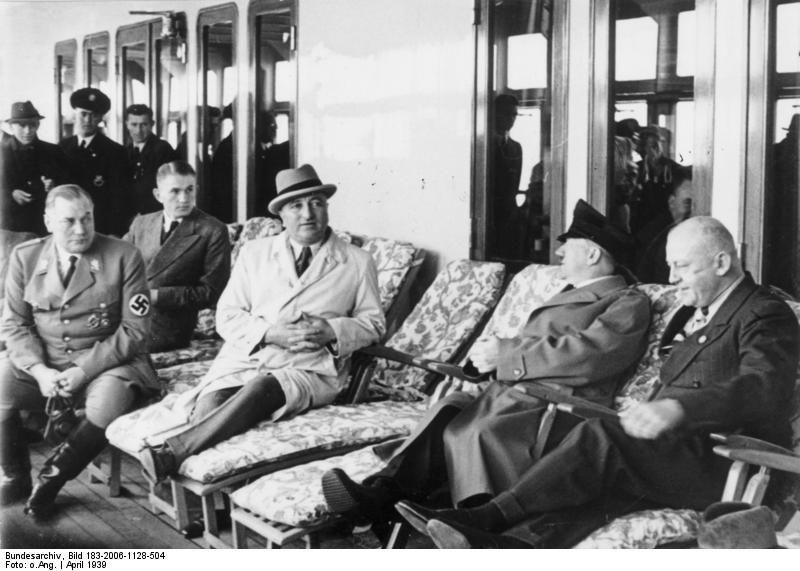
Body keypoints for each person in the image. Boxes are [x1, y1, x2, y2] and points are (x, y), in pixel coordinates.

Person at [395, 216, 799, 549]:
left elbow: (762, 388)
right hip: (681, 454)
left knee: (601, 436)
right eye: (671, 266)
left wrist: (677, 408)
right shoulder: (695, 314)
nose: (672, 278)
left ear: (722, 263)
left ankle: (486, 516)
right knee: (587, 486)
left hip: (728, 464)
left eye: (683, 266)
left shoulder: (764, 313)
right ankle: (509, 547)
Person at [322, 200, 651, 522]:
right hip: (515, 396)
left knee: (474, 432)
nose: (559, 253)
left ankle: (467, 522)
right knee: (447, 410)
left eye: (568, 246)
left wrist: (507, 355)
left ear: (592, 254)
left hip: (556, 409)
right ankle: (381, 495)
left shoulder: (626, 301)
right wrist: (488, 361)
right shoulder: (569, 292)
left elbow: (592, 356)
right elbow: (535, 346)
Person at [136, 164, 385, 483]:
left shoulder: (357, 261)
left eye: (316, 203)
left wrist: (332, 331)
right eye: (296, 205)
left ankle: (170, 452)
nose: (308, 213)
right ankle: (223, 502)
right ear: (281, 214)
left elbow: (374, 324)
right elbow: (226, 315)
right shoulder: (255, 253)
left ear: (326, 207)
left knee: (263, 387)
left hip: (309, 366)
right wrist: (270, 333)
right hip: (249, 356)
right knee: (210, 405)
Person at [0, 184, 158, 517]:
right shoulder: (25, 257)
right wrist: (40, 370)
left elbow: (134, 330)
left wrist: (83, 371)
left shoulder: (122, 255)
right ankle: (16, 477)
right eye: (69, 221)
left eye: (87, 218)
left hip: (109, 362)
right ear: (48, 222)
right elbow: (15, 325)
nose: (81, 229)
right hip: (47, 362)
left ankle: (51, 479)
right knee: (1, 382)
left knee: (108, 400)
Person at [123, 161, 231, 352]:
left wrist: (157, 296)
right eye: (175, 191)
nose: (184, 199)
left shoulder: (212, 230)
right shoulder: (141, 224)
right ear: (158, 195)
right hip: (126, 314)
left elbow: (211, 293)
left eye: (189, 190)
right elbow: (118, 263)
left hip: (168, 327)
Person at [59, 88, 135, 237]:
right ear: (75, 114)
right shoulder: (61, 148)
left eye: (93, 115)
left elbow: (121, 199)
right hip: (68, 227)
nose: (87, 120)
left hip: (101, 228)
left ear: (100, 118)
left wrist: (115, 233)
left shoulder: (115, 152)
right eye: (83, 114)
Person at [0, 101, 70, 235]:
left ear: (38, 124)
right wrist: (10, 195)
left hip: (45, 227)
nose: (28, 130)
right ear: (11, 126)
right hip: (10, 229)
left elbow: (68, 186)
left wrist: (54, 187)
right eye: (22, 125)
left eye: (32, 125)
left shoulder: (54, 152)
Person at [636, 169, 693, 284]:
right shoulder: (655, 240)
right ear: (672, 203)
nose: (694, 211)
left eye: (701, 203)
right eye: (687, 204)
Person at [123, 104, 177, 215]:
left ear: (152, 124)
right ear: (127, 125)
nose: (138, 130)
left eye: (144, 125)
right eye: (134, 124)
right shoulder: (124, 151)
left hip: (156, 213)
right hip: (131, 216)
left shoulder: (163, 150)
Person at [491, 94, 523, 259]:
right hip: (489, 215)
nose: (511, 119)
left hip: (509, 214)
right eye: (506, 113)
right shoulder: (484, 147)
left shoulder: (516, 148)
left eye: (514, 114)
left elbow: (514, 185)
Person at [254, 111, 290, 218]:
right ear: (259, 127)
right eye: (272, 125)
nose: (276, 129)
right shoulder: (275, 152)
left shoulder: (271, 150)